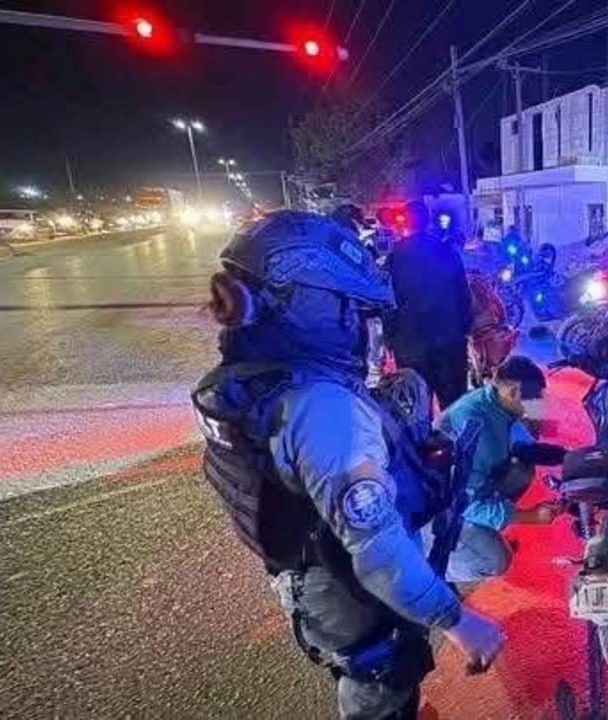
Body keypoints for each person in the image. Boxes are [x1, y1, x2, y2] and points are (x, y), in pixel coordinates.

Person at [190, 211, 504, 720]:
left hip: (308, 569)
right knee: (384, 682)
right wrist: (458, 621)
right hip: (347, 589)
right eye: (351, 310)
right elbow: (379, 553)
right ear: (310, 301)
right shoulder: (322, 406)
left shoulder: (244, 379)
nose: (361, 328)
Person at [434, 355, 566, 582]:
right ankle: (434, 567)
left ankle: (490, 524)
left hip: (469, 485)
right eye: (533, 399)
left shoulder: (496, 403)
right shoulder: (477, 428)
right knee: (498, 560)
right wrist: (531, 516)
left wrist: (570, 456)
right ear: (513, 392)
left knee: (521, 470)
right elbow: (467, 504)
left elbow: (525, 448)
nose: (537, 406)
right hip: (442, 508)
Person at [386, 201, 475, 409]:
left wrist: (391, 338)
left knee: (416, 410)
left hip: (410, 344)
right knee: (454, 407)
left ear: (405, 223)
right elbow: (463, 294)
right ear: (427, 222)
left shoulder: (395, 256)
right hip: (448, 340)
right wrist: (464, 328)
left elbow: (388, 302)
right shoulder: (447, 252)